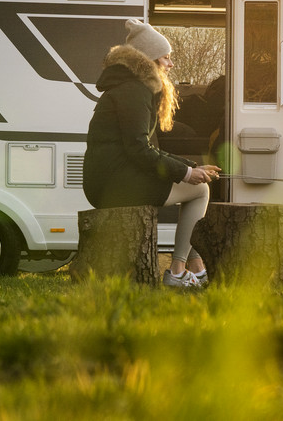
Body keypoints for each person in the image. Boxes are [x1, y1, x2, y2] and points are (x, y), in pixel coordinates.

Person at [83, 19, 221, 287]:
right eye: (166, 58)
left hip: (114, 179)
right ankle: (179, 270)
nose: (170, 65)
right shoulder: (135, 91)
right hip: (115, 184)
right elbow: (138, 149)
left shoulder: (130, 88)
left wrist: (191, 167)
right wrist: (187, 172)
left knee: (197, 184)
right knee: (199, 191)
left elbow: (146, 149)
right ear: (149, 61)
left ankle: (196, 266)